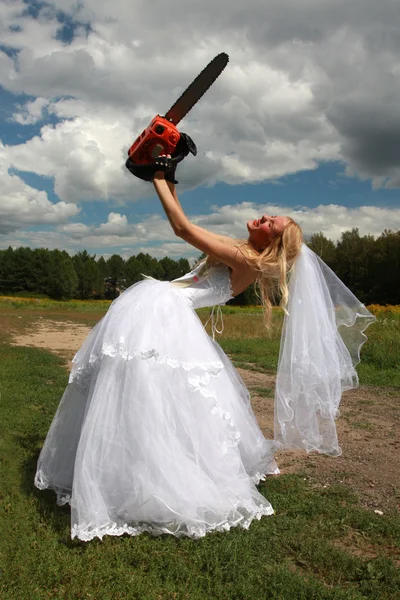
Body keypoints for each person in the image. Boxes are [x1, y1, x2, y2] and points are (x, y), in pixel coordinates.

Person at [34, 140, 375, 542]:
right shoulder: (244, 252)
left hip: (161, 310)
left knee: (142, 396)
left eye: (272, 224)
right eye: (270, 216)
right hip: (164, 310)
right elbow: (186, 223)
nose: (264, 217)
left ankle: (139, 481)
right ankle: (128, 473)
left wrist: (157, 176)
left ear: (273, 243)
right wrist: (170, 176)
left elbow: (180, 228)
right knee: (143, 398)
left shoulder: (245, 258)